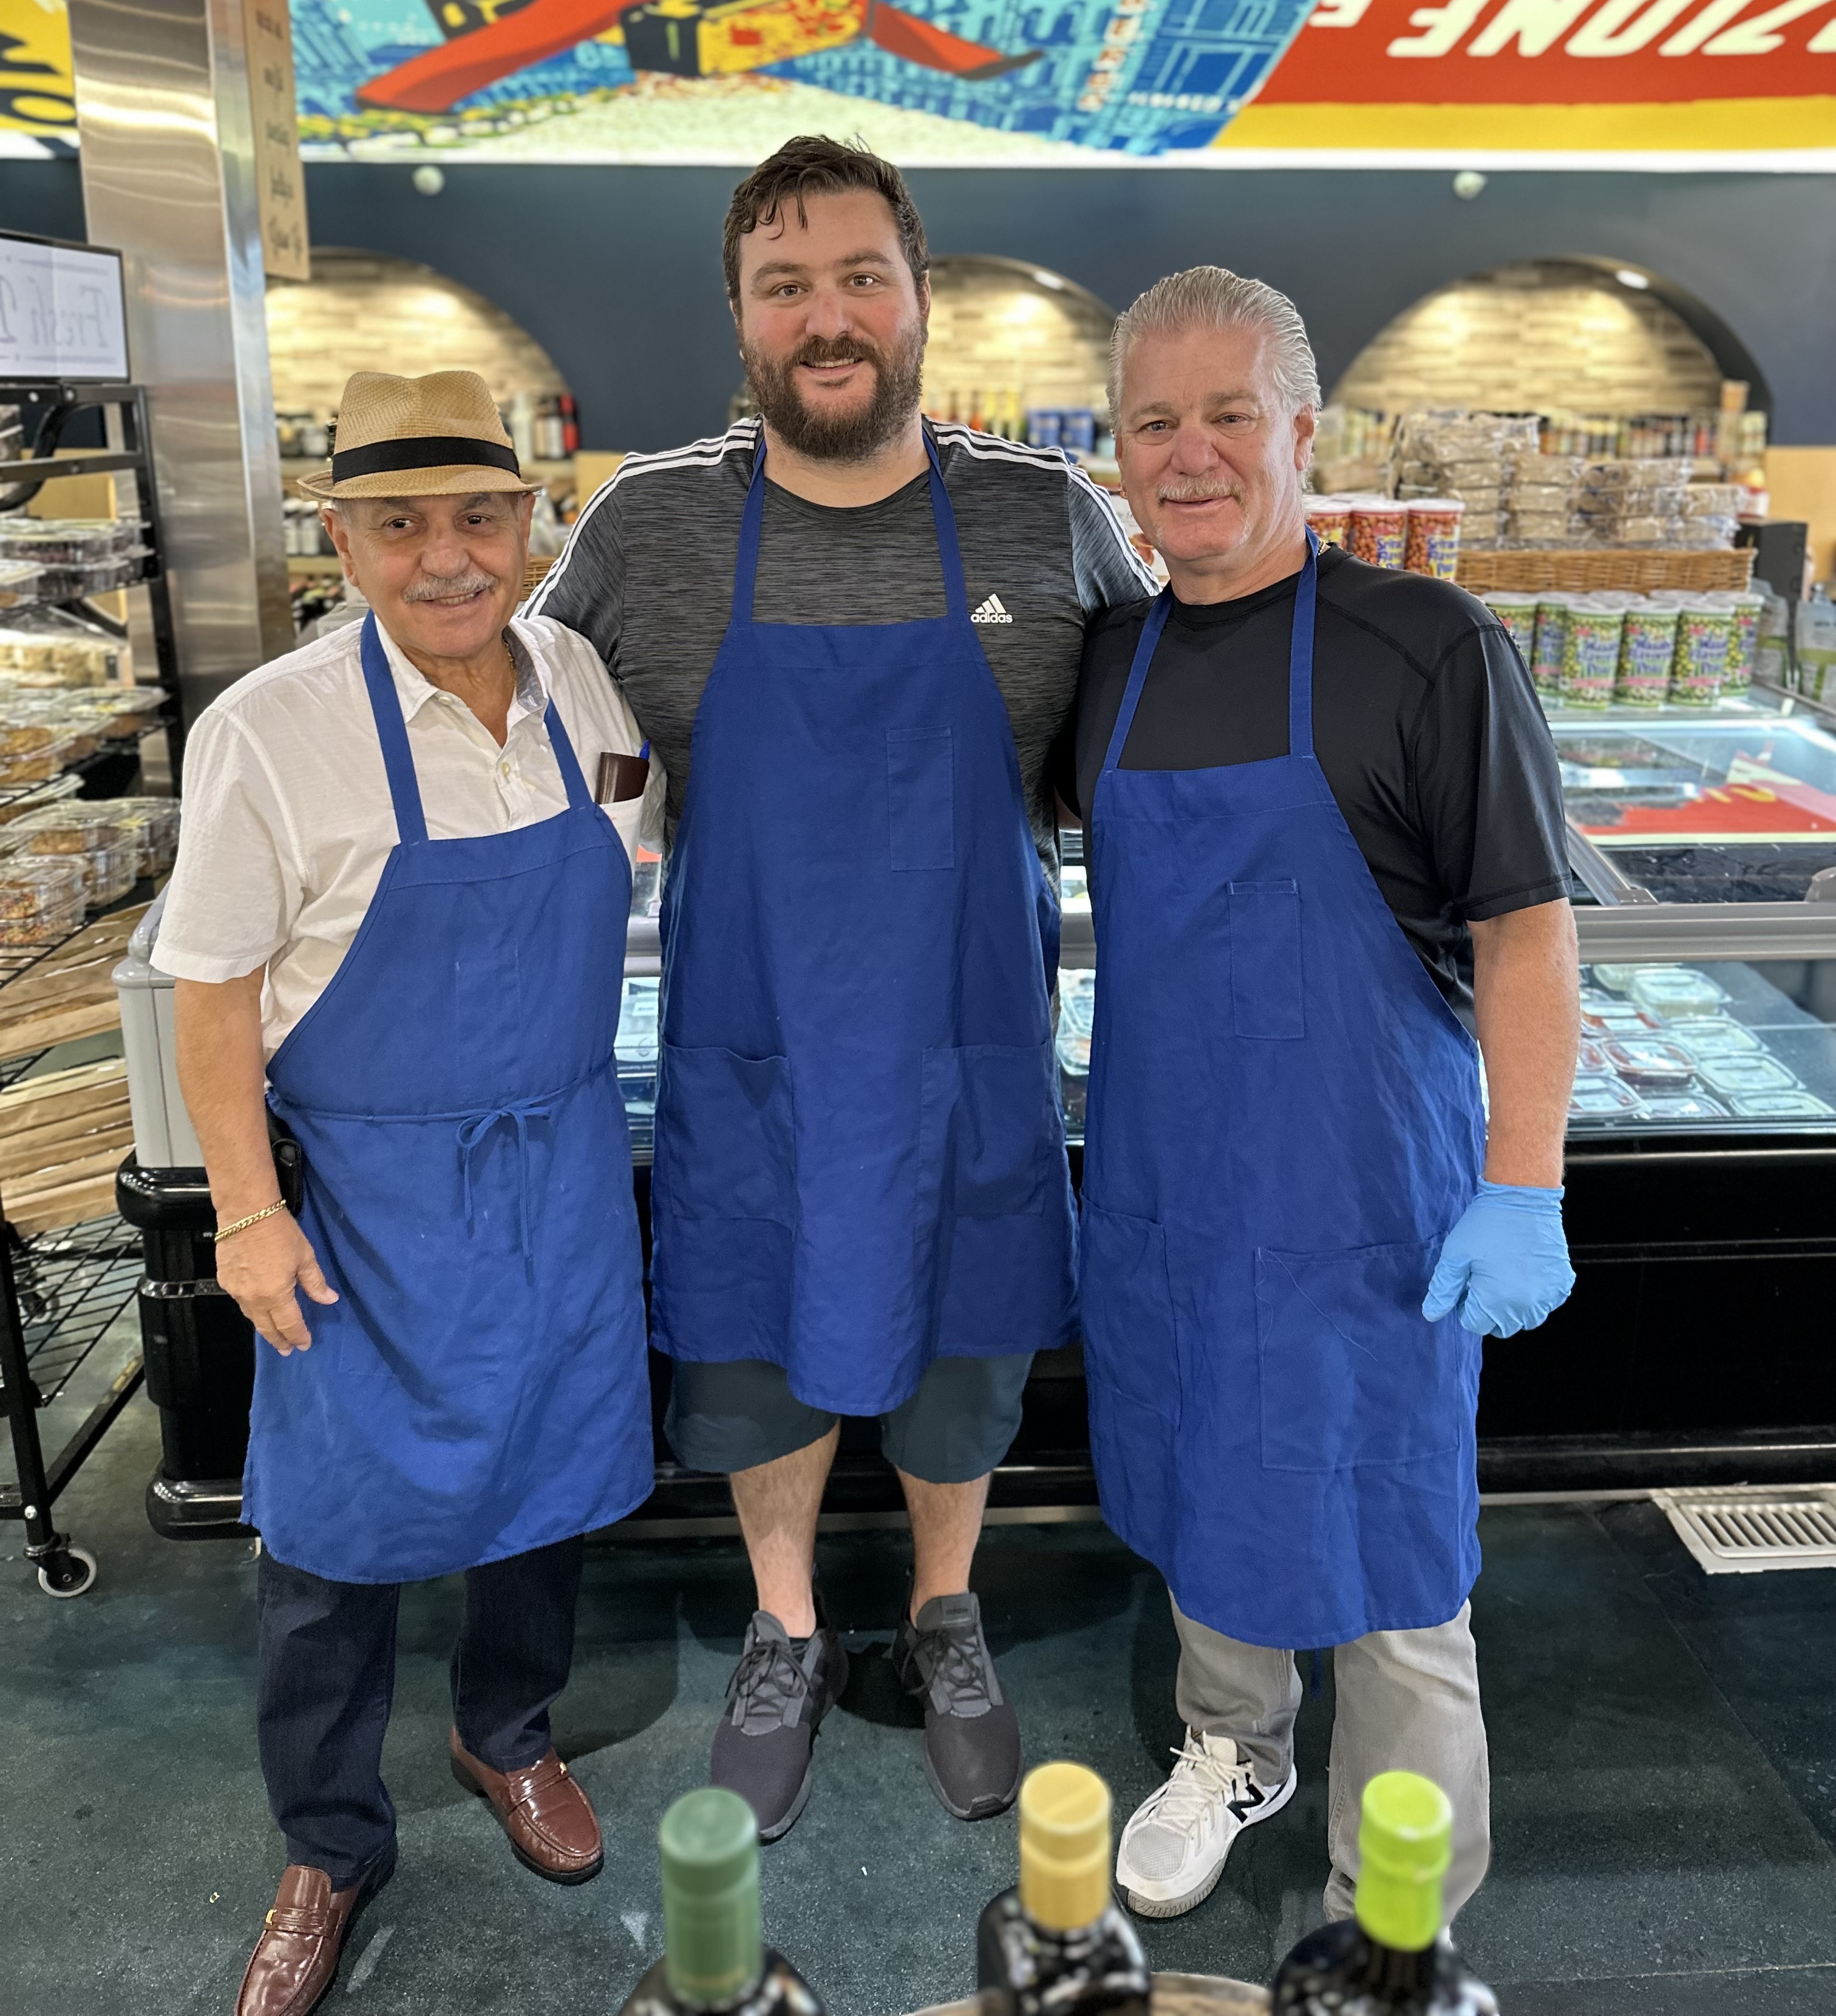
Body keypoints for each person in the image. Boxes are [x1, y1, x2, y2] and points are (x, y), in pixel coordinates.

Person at [529, 135, 1151, 1839]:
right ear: (737, 314)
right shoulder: (646, 531)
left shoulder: (1052, 517)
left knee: (965, 1356)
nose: (829, 316)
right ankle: (787, 1629)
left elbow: (1168, 739)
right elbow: (507, 736)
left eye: (860, 276)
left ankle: (948, 1615)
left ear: (918, 298)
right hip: (756, 1054)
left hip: (971, 1050)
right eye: (786, 284)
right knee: (747, 1357)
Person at [1062, 269, 1579, 1929]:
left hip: (1366, 1192)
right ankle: (1233, 1748)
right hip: (1169, 1184)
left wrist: (1527, 1181)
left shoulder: (1426, 646)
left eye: (1228, 415)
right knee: (1214, 1474)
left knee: (1392, 1549)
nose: (1190, 452)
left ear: (1302, 431)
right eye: (1156, 421)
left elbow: (1525, 932)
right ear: (1117, 450)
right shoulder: (1112, 660)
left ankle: (1400, 1890)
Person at [155, 371, 659, 2016]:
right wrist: (245, 1209)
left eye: (479, 517)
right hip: (368, 1194)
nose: (446, 559)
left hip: (564, 1164)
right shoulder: (273, 731)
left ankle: (506, 1734)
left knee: (548, 1488)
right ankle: (330, 1842)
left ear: (531, 520)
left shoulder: (583, 681)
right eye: (399, 524)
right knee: (331, 1544)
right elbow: (209, 989)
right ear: (342, 535)